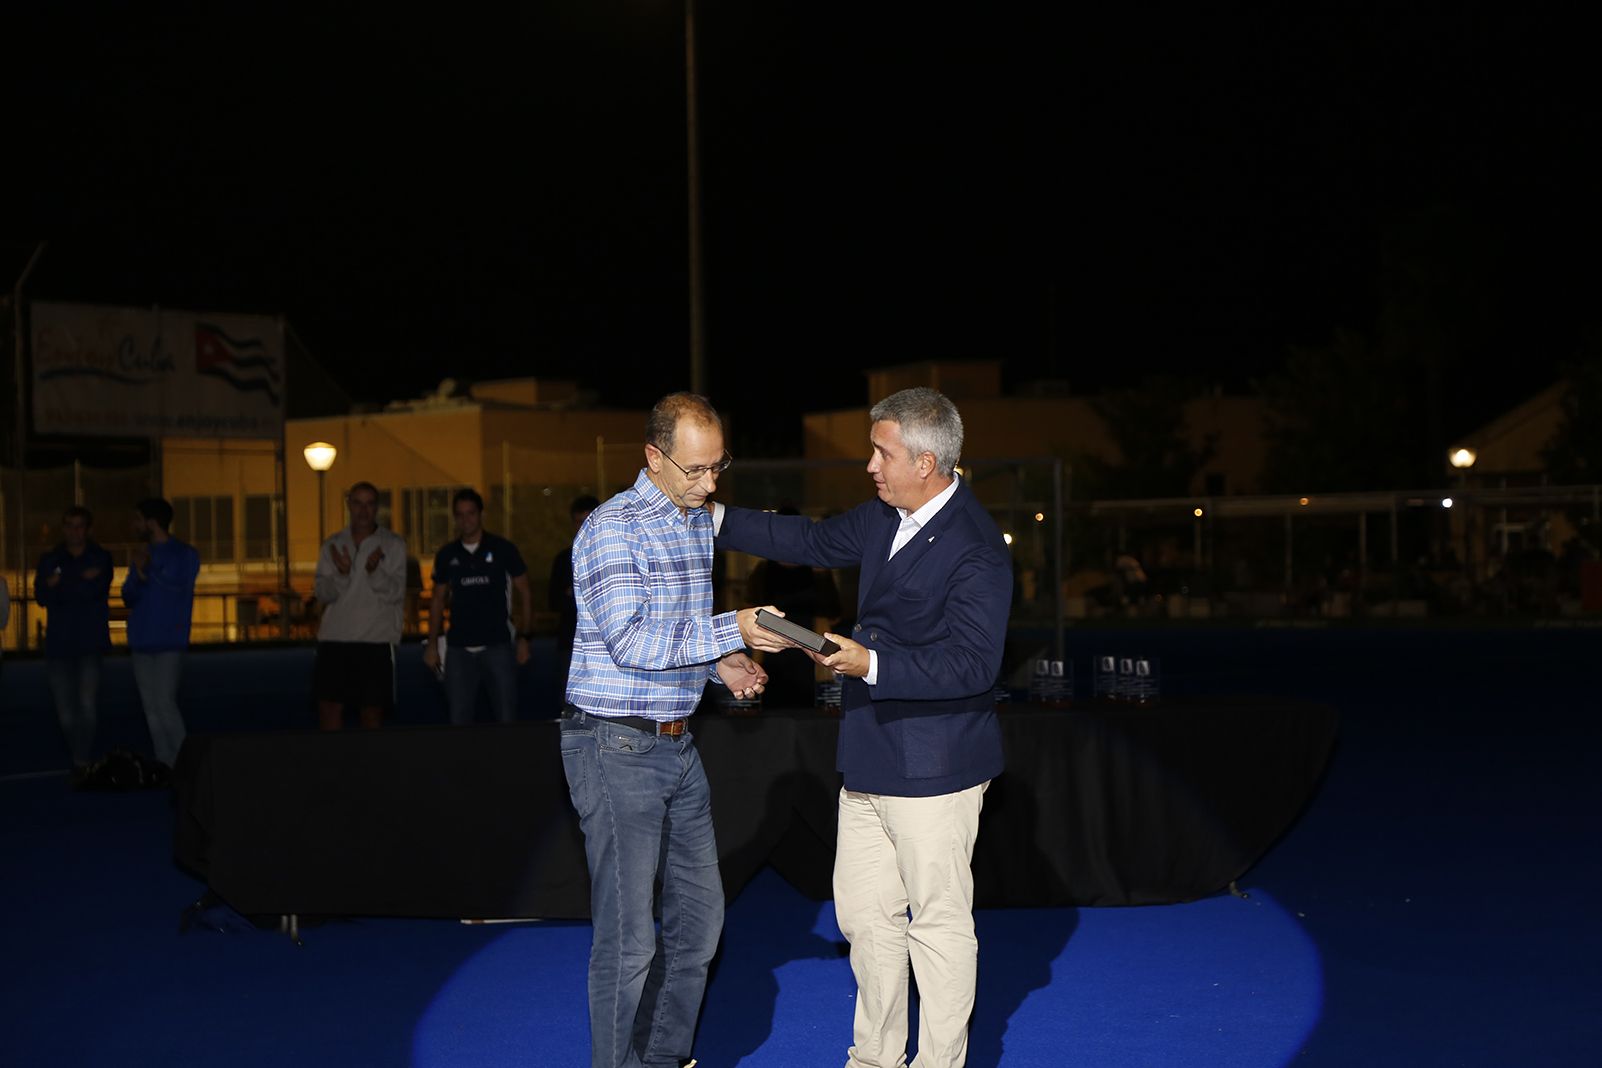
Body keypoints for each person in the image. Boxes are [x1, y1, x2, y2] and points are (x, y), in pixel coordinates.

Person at [712, 386, 1012, 1068]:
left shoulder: (977, 546)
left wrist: (870, 663)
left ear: (926, 462)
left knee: (937, 925)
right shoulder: (884, 514)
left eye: (882, 453)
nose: (871, 466)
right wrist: (710, 514)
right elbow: (809, 540)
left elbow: (972, 665)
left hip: (936, 769)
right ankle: (875, 1058)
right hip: (870, 756)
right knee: (866, 920)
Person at [560, 391, 788, 1068]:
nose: (711, 484)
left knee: (700, 923)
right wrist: (732, 628)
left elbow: (675, 631)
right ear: (653, 457)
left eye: (718, 466)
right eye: (697, 469)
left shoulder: (691, 522)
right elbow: (631, 641)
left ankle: (660, 1057)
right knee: (630, 939)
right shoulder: (613, 528)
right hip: (613, 744)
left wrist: (721, 663)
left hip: (677, 742)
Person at [424, 488, 533, 723]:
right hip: (459, 648)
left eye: (471, 513)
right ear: (454, 517)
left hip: (498, 644)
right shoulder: (447, 555)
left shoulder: (503, 549)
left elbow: (525, 592)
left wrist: (524, 637)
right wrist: (432, 644)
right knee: (459, 719)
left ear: (481, 514)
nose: (466, 520)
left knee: (506, 717)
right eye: (460, 514)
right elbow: (437, 600)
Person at [313, 481, 407, 730]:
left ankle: (371, 757)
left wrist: (375, 572)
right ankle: (332, 757)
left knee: (372, 713)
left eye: (369, 504)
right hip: (334, 639)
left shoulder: (394, 545)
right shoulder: (331, 545)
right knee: (329, 709)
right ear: (348, 505)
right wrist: (341, 574)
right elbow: (321, 593)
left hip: (376, 641)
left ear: (377, 507)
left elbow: (397, 593)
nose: (363, 510)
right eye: (357, 503)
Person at [121, 498, 202, 768]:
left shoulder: (184, 554)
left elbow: (177, 584)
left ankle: (185, 761)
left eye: (138, 519)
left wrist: (148, 570)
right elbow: (128, 595)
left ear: (151, 522)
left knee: (165, 703)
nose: (134, 525)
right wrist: (139, 575)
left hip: (169, 640)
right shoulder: (144, 554)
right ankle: (165, 762)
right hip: (142, 640)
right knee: (151, 708)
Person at [34, 506, 114, 771]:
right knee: (66, 714)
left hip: (90, 643)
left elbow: (95, 590)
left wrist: (59, 583)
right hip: (58, 645)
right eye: (69, 525)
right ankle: (80, 755)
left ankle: (81, 759)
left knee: (87, 706)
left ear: (88, 529)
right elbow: (41, 596)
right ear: (63, 528)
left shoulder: (101, 557)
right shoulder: (49, 558)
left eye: (79, 526)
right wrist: (79, 580)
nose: (73, 531)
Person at [744, 506, 842, 708]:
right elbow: (749, 610)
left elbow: (834, 611)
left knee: (809, 708)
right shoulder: (764, 569)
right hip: (772, 648)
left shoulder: (817, 570)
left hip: (810, 649)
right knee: (773, 704)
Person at [548, 493, 600, 694]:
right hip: (570, 642)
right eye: (579, 522)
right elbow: (552, 602)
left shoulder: (614, 554)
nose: (583, 527)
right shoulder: (563, 560)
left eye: (587, 521)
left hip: (605, 644)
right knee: (568, 698)